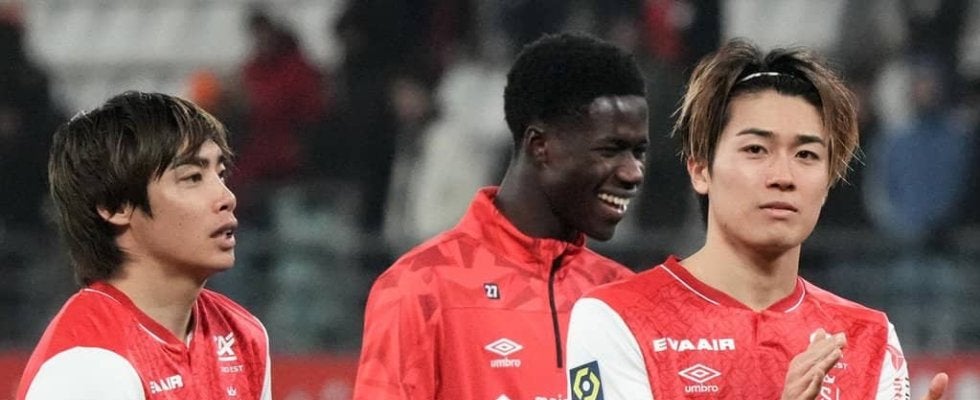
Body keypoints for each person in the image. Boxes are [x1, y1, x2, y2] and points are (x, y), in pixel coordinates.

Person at [565, 39, 948, 399]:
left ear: (828, 182)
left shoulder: (870, 337)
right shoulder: (615, 318)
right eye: (756, 149)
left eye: (806, 155)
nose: (783, 176)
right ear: (700, 169)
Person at [353, 32, 648, 399]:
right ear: (541, 146)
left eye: (638, 152)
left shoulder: (625, 297)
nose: (633, 172)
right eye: (609, 150)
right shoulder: (420, 288)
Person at [17, 91, 271, 399]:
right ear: (115, 206)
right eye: (193, 177)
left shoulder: (243, 335)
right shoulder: (87, 364)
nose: (227, 197)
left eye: (220, 174)